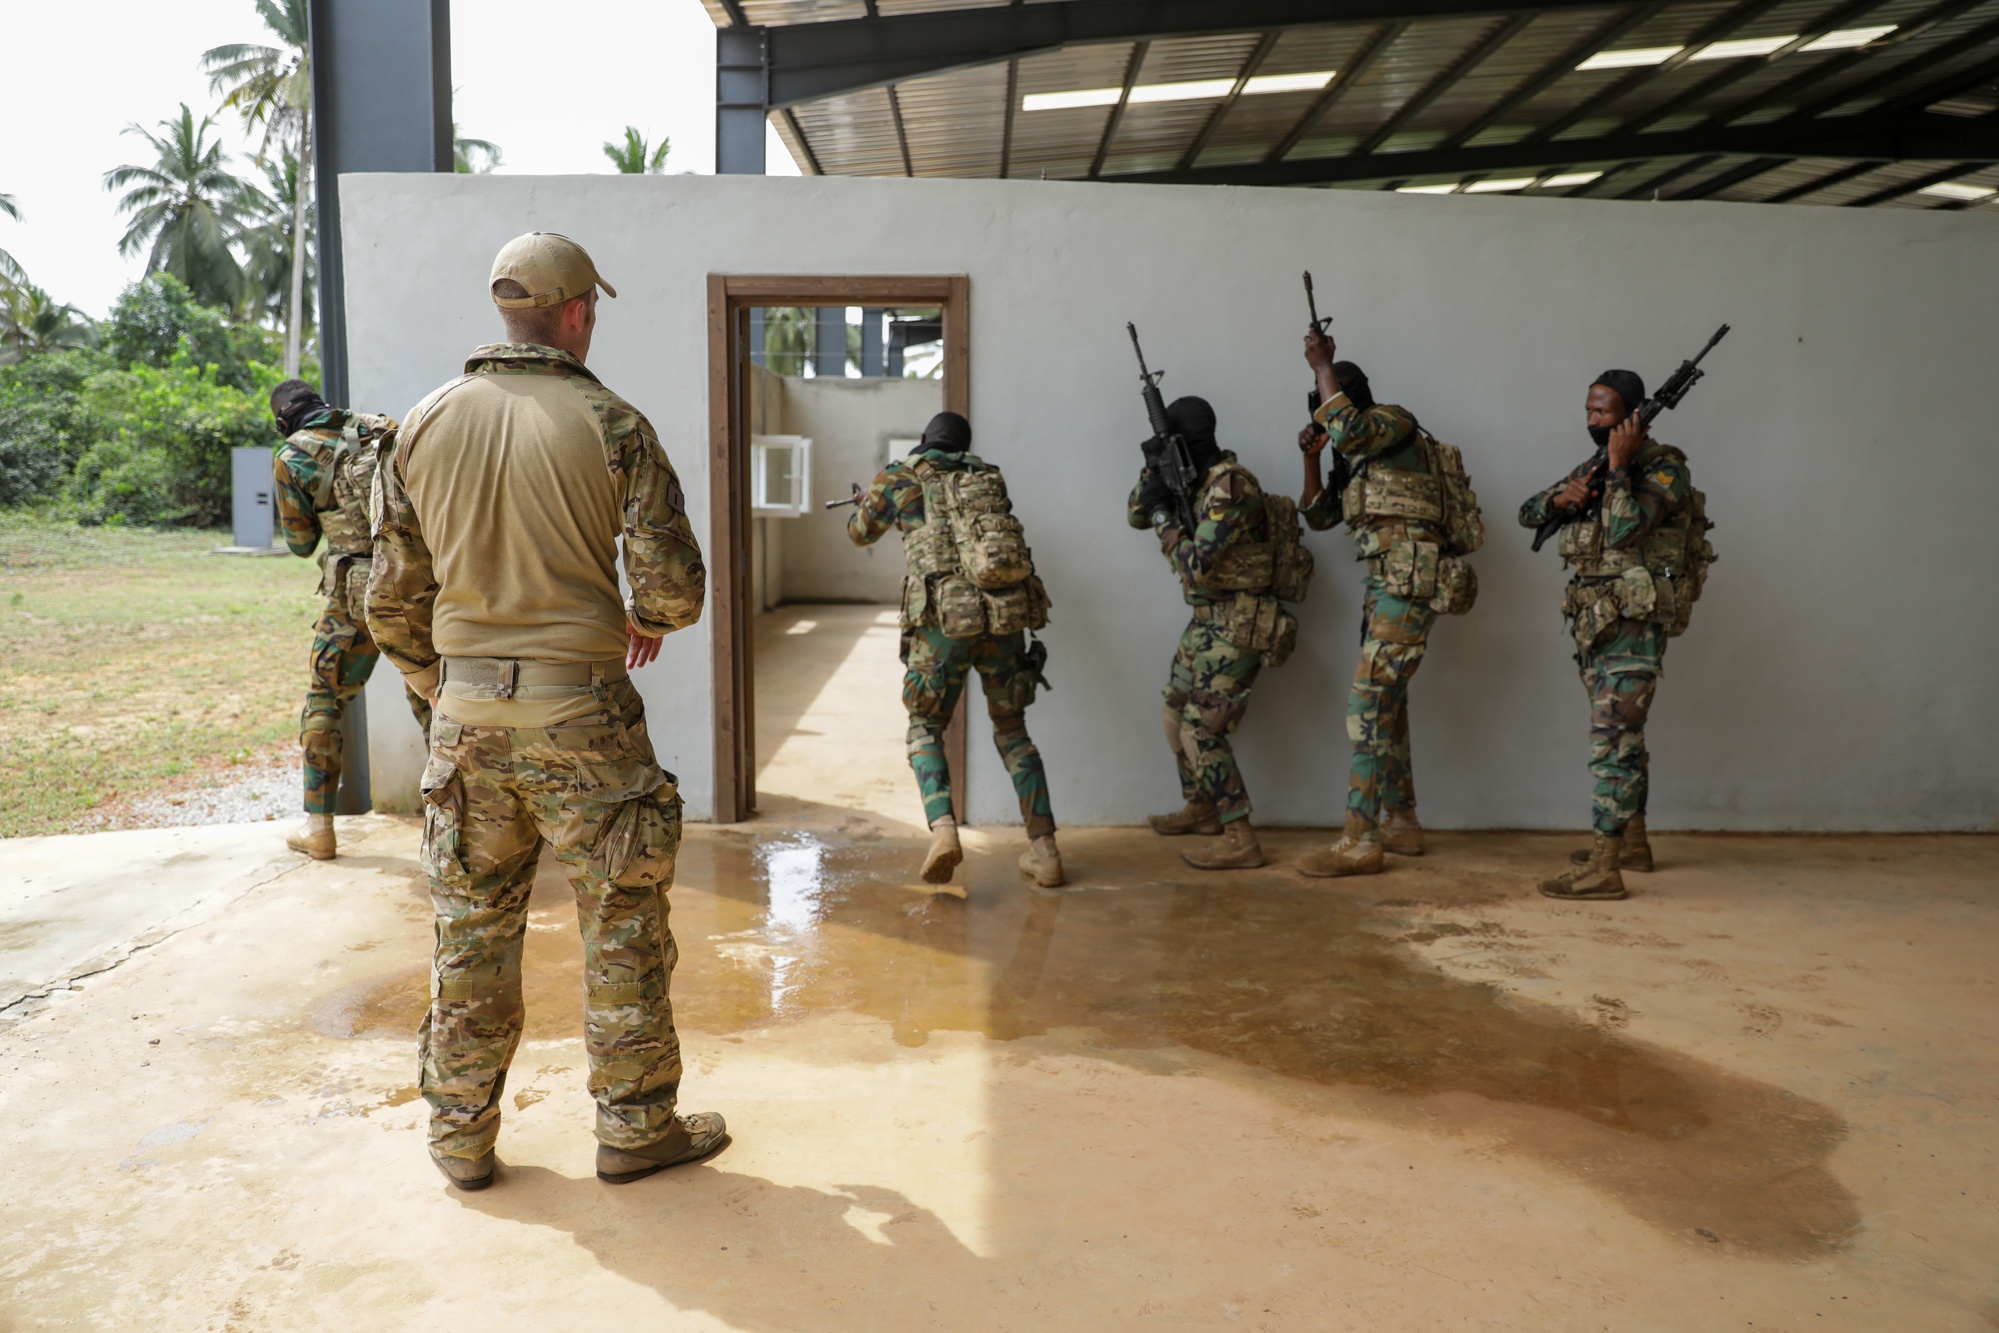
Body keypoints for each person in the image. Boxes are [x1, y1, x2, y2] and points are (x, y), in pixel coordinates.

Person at [368, 231, 724, 1190]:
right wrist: (643, 618)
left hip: (466, 721)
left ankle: (460, 1140)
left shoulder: (421, 423)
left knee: (471, 931)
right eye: (592, 308)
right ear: (574, 312)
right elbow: (676, 589)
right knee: (622, 926)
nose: (593, 319)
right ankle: (634, 1128)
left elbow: (389, 599)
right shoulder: (613, 423)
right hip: (586, 720)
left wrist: (441, 689)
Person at [847, 411, 1065, 890]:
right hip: (1002, 618)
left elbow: (860, 532)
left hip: (942, 625)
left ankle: (944, 831)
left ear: (926, 440)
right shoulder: (987, 477)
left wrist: (868, 500)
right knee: (1012, 729)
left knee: (925, 726)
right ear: (964, 445)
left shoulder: (900, 477)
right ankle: (1045, 851)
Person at [1518, 369, 1713, 901]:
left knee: (1613, 742)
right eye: (1588, 411)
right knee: (1625, 740)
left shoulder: (1665, 470)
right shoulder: (1593, 466)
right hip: (1596, 622)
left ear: (1630, 416)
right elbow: (1527, 512)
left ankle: (1605, 867)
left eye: (1601, 412)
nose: (1592, 421)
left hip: (1634, 622)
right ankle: (1632, 843)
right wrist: (1564, 499)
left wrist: (1621, 468)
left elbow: (1628, 529)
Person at [1294, 331, 1478, 878]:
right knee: (1387, 703)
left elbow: (1349, 427)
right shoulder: (1360, 459)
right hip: (1385, 584)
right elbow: (1321, 516)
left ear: (1350, 394)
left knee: (1367, 705)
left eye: (1330, 396)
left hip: (1409, 580)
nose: (1327, 412)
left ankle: (1360, 839)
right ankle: (1402, 823)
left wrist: (1322, 365)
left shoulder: (1393, 424)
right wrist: (1310, 458)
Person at [269, 381, 433, 860]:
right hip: (416, 587)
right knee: (435, 697)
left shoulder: (292, 457)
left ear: (284, 420)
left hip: (355, 596)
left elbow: (301, 545)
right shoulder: (384, 429)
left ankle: (319, 827)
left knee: (324, 700)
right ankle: (463, 820)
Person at [1129, 396, 1294, 871]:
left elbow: (1197, 565)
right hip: (1205, 622)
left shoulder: (1230, 488)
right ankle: (1201, 806)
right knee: (1173, 712)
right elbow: (1136, 514)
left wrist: (1165, 519)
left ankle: (1240, 837)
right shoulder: (1194, 480)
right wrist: (1154, 474)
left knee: (1200, 731)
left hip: (1240, 624)